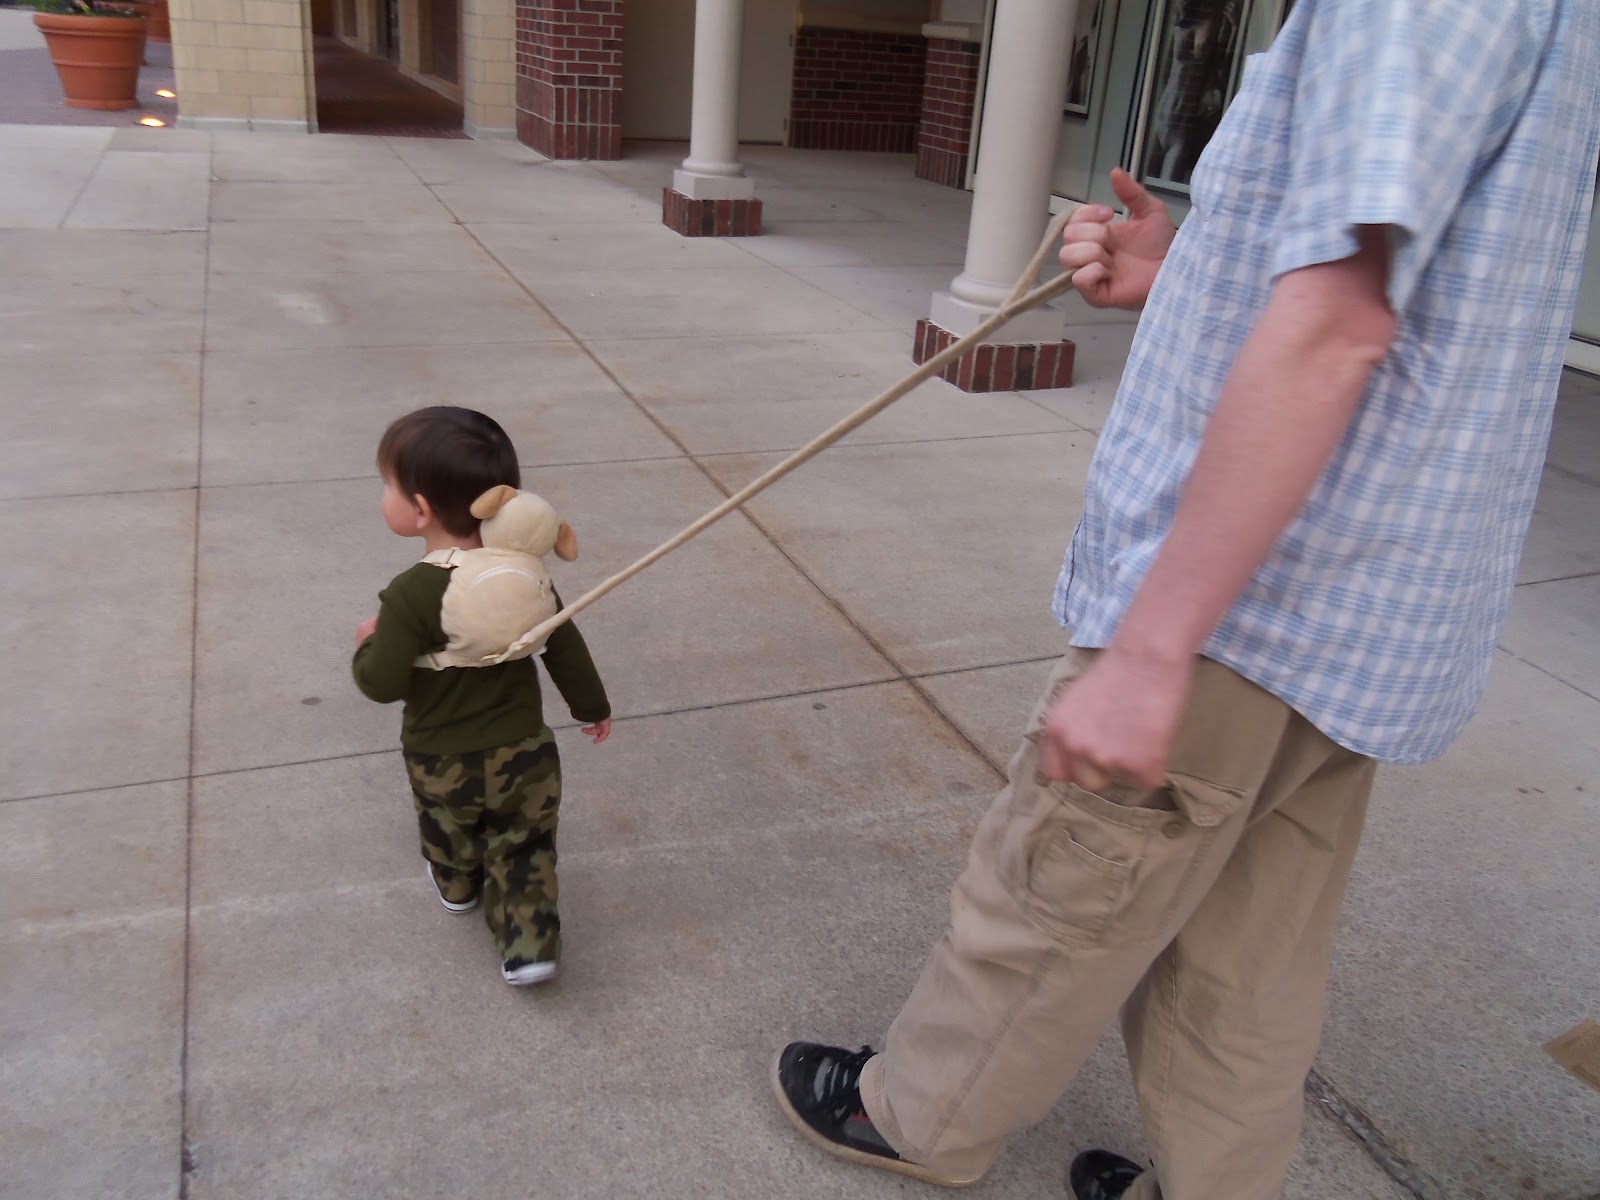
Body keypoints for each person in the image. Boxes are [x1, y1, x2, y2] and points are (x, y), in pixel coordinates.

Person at [770, 0, 1600, 1196]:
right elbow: (1407, 291)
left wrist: (1154, 646)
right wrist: (1191, 271)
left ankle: (919, 1118)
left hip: (1250, 602)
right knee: (1244, 955)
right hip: (1364, 621)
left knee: (1057, 889)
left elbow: (1335, 330)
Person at [353, 407, 612, 987]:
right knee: (524, 844)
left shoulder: (412, 593)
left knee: (447, 825)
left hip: (440, 757)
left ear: (419, 509)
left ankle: (457, 886)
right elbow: (564, 643)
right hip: (525, 752)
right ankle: (530, 945)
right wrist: (591, 707)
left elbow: (383, 683)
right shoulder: (525, 579)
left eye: (388, 484)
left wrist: (368, 644)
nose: (384, 494)